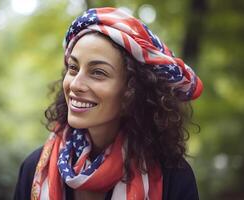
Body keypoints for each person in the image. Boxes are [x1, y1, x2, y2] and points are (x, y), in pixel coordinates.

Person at [14, 7, 203, 200]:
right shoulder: (34, 168)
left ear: (133, 89)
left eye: (98, 72)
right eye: (73, 68)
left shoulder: (173, 176)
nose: (75, 84)